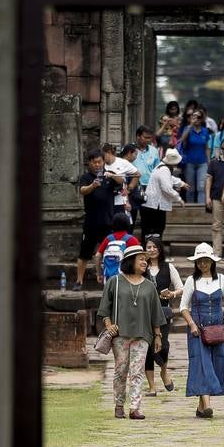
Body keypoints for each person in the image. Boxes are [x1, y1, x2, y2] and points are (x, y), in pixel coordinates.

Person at [98, 243, 164, 420]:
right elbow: (104, 307)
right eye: (141, 259)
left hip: (142, 335)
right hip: (120, 335)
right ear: (130, 261)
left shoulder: (150, 286)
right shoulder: (114, 282)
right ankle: (119, 405)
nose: (145, 262)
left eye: (146, 260)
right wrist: (108, 325)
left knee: (137, 371)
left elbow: (156, 314)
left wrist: (158, 335)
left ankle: (135, 408)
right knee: (121, 370)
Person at [179, 242, 224, 418]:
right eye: (199, 261)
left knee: (213, 364)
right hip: (197, 329)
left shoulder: (221, 279)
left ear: (212, 261)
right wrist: (191, 324)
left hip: (217, 328)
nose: (202, 264)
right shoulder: (191, 281)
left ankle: (200, 407)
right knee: (201, 363)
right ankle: (208, 405)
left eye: (205, 260)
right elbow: (183, 306)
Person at [141, 235, 182, 396]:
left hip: (163, 312)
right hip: (144, 313)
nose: (151, 250)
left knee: (162, 345)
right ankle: (152, 386)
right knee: (147, 348)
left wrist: (172, 294)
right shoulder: (142, 267)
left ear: (160, 249)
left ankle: (164, 370)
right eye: (148, 247)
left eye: (154, 247)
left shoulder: (168, 267)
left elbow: (181, 287)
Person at [73, 148, 111, 290]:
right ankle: (79, 281)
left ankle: (108, 281)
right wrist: (93, 185)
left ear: (103, 162)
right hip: (91, 222)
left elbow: (122, 181)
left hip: (107, 221)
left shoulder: (108, 176)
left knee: (109, 253)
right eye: (94, 162)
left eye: (99, 162)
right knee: (84, 253)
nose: (97, 165)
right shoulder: (86, 177)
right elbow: (83, 190)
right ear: (89, 163)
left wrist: (112, 176)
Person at [141, 148, 186, 241]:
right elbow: (167, 188)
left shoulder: (161, 167)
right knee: (156, 230)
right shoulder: (164, 170)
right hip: (155, 206)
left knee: (150, 231)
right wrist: (178, 199)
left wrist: (181, 183)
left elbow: (169, 179)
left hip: (153, 205)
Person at [206, 138, 224, 258]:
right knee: (217, 225)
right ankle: (217, 253)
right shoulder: (214, 162)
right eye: (223, 149)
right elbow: (209, 179)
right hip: (217, 196)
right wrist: (208, 197)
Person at [177, 108, 212, 204]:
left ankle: (201, 209)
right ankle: (190, 210)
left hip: (202, 163)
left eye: (199, 117)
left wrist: (208, 162)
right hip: (189, 163)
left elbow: (207, 148)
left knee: (201, 188)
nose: (197, 119)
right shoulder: (187, 128)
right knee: (190, 189)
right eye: (194, 116)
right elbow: (181, 140)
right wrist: (191, 125)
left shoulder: (205, 131)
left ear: (202, 119)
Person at [95, 213, 139, 282]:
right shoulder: (132, 240)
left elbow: (97, 256)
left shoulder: (108, 239)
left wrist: (99, 274)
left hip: (109, 277)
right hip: (127, 278)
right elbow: (138, 258)